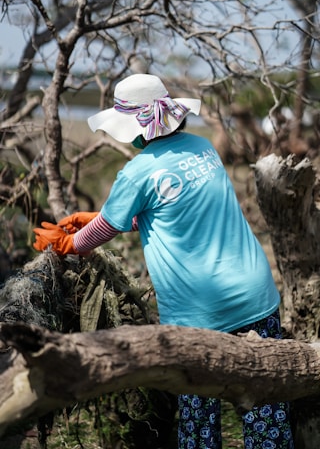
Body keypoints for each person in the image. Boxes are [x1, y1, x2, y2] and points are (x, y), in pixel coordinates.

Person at [33, 73, 294, 449]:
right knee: (265, 411)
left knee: (200, 419)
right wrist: (95, 217)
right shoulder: (204, 148)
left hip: (201, 315)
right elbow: (170, 212)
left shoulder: (138, 171)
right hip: (256, 296)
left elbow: (103, 232)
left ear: (138, 129)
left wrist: (67, 243)